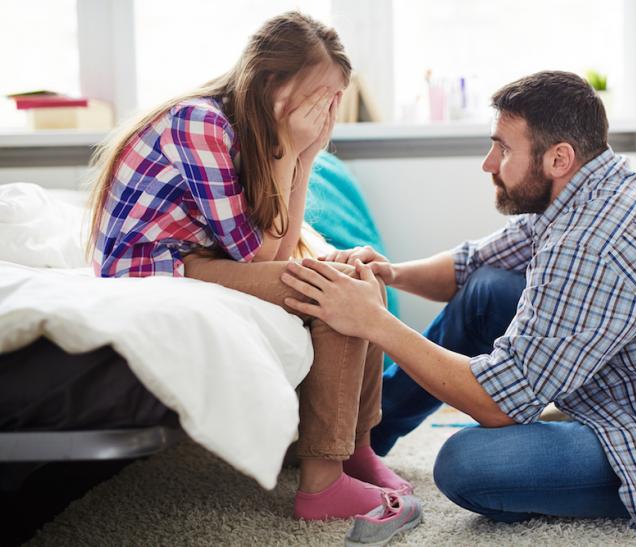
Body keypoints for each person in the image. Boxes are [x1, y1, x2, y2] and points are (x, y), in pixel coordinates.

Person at [280, 70, 636, 536]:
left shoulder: (592, 242)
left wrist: (372, 321)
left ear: (559, 157)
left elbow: (496, 404)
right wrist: (389, 272)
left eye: (504, 148)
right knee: (488, 287)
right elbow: (473, 263)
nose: (488, 163)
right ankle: (363, 440)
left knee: (467, 465)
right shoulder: (595, 187)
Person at [86, 12, 412, 521]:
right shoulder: (201, 122)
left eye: (333, 100)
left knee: (360, 281)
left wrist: (305, 157)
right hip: (155, 266)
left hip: (200, 260)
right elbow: (257, 255)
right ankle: (322, 484)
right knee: (338, 292)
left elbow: (276, 251)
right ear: (270, 81)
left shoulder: (248, 128)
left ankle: (356, 450)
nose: (323, 111)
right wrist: (293, 153)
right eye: (316, 96)